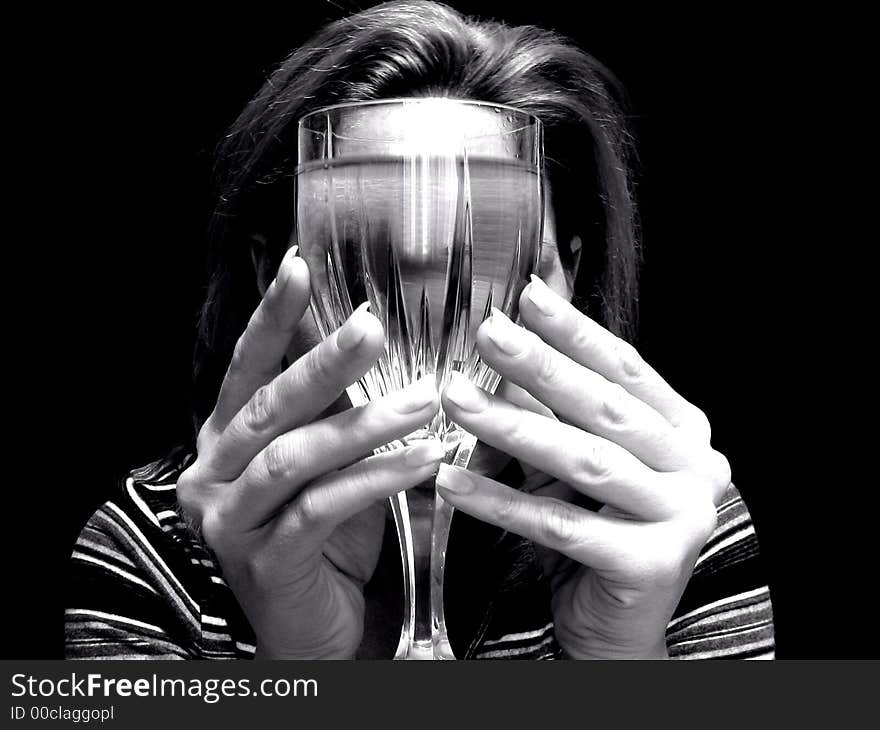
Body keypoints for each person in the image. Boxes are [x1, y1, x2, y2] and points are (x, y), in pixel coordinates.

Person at [65, 0, 774, 660]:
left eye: (493, 264)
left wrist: (623, 667)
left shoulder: (674, 523)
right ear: (270, 279)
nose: (432, 333)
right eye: (365, 264)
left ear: (570, 282)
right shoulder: (154, 549)